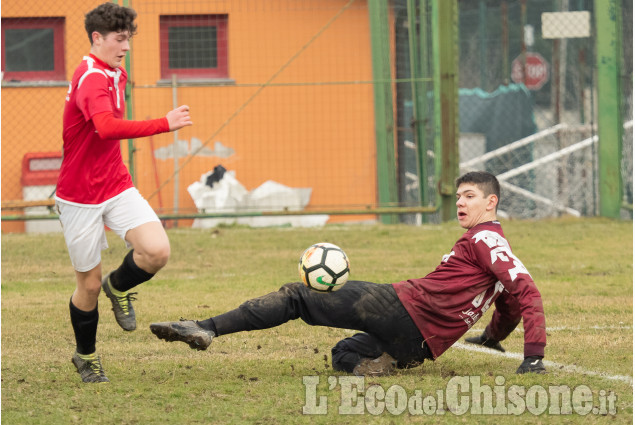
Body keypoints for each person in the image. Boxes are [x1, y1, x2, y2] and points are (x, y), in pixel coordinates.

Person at [150, 171, 547, 376]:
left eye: (470, 196)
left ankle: (205, 328)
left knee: (296, 296)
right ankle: (375, 366)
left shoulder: (487, 241)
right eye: (458, 195)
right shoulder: (492, 248)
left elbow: (527, 293)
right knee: (344, 353)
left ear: (491, 202)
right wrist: (492, 338)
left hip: (401, 308)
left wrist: (533, 357)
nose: (460, 202)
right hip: (419, 347)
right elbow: (511, 303)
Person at [55, 2, 193, 383]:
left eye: (128, 39)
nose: (126, 46)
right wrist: (163, 123)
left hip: (115, 183)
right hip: (79, 195)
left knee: (157, 251)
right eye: (119, 39)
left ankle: (120, 287)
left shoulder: (116, 72)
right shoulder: (92, 79)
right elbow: (105, 127)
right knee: (88, 285)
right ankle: (87, 356)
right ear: (97, 38)